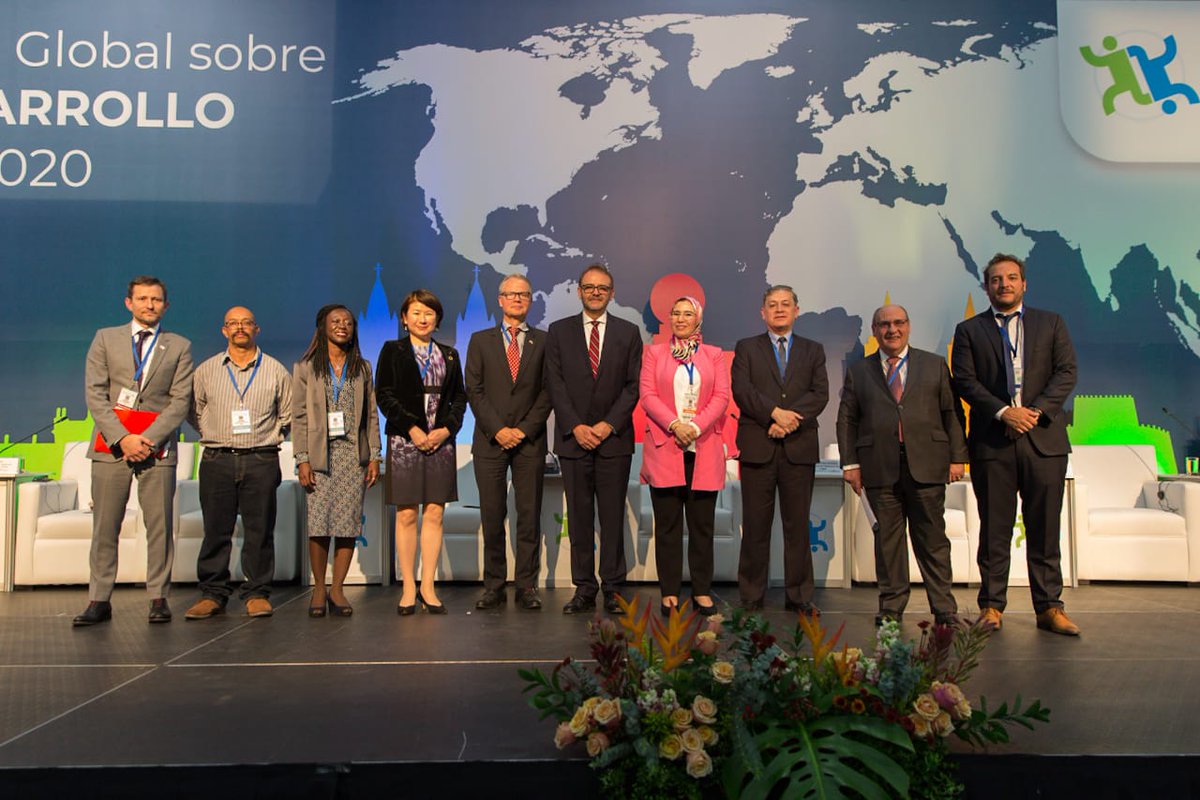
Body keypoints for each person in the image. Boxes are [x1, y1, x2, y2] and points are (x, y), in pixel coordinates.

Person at [951, 253, 1080, 636]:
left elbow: (1066, 371)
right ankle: (992, 607)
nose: (1003, 284)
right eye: (995, 279)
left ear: (1024, 284)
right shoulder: (969, 330)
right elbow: (965, 381)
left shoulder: (1050, 323)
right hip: (993, 443)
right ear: (986, 286)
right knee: (994, 529)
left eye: (1011, 278)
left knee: (1044, 529)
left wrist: (1034, 412)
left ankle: (1049, 608)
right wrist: (1005, 412)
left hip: (1044, 441)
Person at [74, 276, 194, 627]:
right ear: (129, 303)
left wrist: (148, 440)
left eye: (156, 300)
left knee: (159, 526)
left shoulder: (179, 346)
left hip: (157, 449)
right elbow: (96, 395)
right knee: (105, 526)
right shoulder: (105, 339)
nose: (149, 305)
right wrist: (124, 438)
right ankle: (99, 599)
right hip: (112, 447)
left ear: (166, 306)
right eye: (142, 299)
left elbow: (179, 402)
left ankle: (158, 597)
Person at [836, 304, 967, 627]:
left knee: (932, 540)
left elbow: (951, 412)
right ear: (874, 330)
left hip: (928, 464)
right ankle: (892, 606)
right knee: (888, 542)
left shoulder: (935, 365)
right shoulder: (859, 370)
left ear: (908, 326)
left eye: (898, 323)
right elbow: (847, 419)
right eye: (884, 324)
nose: (891, 330)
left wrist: (958, 456)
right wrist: (850, 464)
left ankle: (943, 608)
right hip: (879, 466)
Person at [545, 263, 642, 615]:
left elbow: (634, 387)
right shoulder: (558, 331)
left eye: (603, 287)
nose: (596, 292)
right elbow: (554, 384)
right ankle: (584, 588)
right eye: (590, 287)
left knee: (613, 518)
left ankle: (614, 588)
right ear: (579, 291)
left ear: (612, 293)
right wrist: (576, 426)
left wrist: (606, 426)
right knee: (581, 520)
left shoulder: (629, 333)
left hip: (613, 440)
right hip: (573, 441)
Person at [185, 307, 292, 620]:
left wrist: (266, 437)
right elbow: (194, 411)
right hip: (218, 458)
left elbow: (286, 414)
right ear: (224, 331)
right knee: (216, 530)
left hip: (261, 458)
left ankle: (257, 592)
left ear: (256, 329)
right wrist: (214, 433)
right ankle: (212, 594)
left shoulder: (275, 370)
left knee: (259, 530)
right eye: (233, 323)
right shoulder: (206, 370)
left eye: (246, 323)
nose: (240, 328)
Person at [730, 285, 828, 614]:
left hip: (798, 449)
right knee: (755, 526)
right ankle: (751, 597)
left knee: (797, 526)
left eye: (786, 304)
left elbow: (820, 394)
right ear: (763, 312)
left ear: (797, 310)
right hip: (759, 447)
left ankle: (799, 596)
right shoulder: (746, 348)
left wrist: (789, 422)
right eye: (772, 304)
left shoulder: (813, 350)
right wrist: (774, 413)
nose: (780, 309)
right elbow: (742, 391)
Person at [376, 289, 466, 615]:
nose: (422, 318)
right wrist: (413, 428)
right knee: (407, 513)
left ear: (437, 319)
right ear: (404, 318)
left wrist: (446, 429)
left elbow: (459, 399)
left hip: (441, 441)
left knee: (435, 513)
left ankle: (428, 585)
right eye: (415, 312)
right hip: (404, 440)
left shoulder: (451, 355)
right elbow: (384, 395)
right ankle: (408, 586)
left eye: (428, 313)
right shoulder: (392, 350)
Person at [465, 274, 551, 611]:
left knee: (529, 516)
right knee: (493, 515)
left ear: (530, 301)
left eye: (524, 294)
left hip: (530, 442)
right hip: (490, 442)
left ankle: (527, 585)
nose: (517, 299)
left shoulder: (544, 342)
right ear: (499, 300)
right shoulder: (479, 340)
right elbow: (474, 389)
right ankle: (494, 586)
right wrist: (498, 429)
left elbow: (548, 391)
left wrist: (524, 429)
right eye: (510, 294)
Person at [639, 296, 729, 618]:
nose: (680, 318)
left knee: (702, 526)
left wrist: (697, 426)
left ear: (698, 319)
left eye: (687, 313)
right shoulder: (655, 353)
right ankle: (670, 593)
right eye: (675, 313)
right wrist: (676, 424)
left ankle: (702, 591)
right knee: (668, 526)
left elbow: (721, 396)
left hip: (703, 448)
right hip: (666, 447)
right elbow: (647, 394)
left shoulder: (714, 355)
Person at [292, 304, 382, 618]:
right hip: (318, 455)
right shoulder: (305, 367)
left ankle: (338, 589)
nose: (342, 326)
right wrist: (302, 459)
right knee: (318, 525)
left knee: (347, 524)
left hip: (351, 456)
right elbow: (299, 417)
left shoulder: (362, 367)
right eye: (335, 321)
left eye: (347, 322)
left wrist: (374, 455)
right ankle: (319, 588)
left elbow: (371, 415)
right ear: (323, 327)